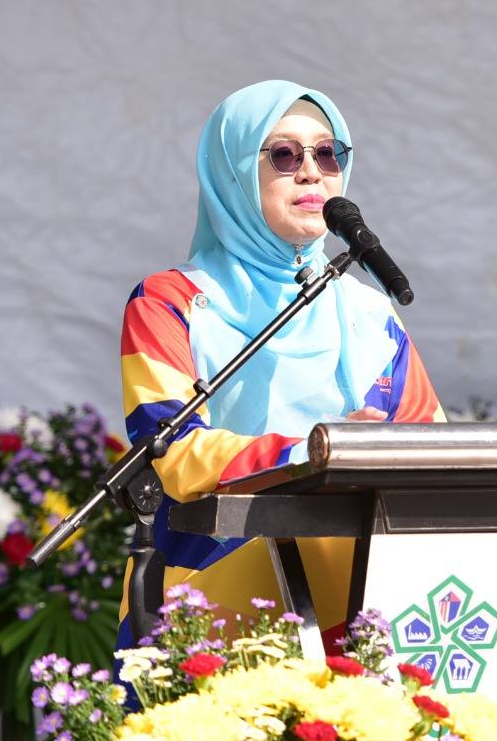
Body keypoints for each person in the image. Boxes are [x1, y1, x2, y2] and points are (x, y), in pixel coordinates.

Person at [114, 80, 443, 652]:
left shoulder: (370, 314)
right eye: (286, 155)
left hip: (367, 610)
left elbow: (433, 452)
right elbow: (176, 454)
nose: (312, 173)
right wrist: (309, 455)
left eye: (328, 153)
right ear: (234, 173)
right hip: (211, 603)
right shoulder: (168, 302)